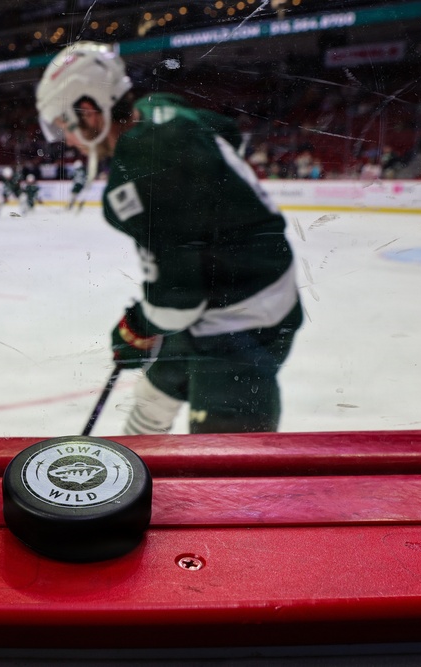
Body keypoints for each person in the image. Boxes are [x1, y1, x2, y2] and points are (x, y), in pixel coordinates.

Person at [36, 41, 302, 434]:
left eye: (63, 125)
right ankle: (137, 470)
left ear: (88, 112)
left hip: (245, 318)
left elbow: (179, 300)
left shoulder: (141, 165)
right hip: (248, 292)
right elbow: (227, 132)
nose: (66, 139)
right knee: (154, 394)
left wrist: (137, 327)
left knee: (224, 475)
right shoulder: (158, 109)